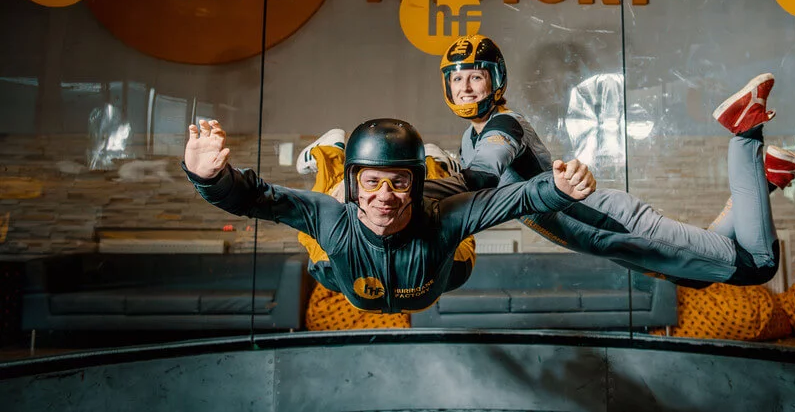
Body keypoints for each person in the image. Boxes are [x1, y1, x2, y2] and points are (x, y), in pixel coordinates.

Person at [433, 34, 795, 287]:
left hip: (614, 225)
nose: (465, 87)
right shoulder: (471, 138)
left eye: (475, 77)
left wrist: (424, 185)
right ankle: (771, 174)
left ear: (495, 79)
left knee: (757, 266)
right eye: (457, 79)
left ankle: (746, 135)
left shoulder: (503, 125)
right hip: (604, 240)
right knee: (698, 278)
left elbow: (483, 176)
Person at [183, 117, 596, 314]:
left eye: (398, 183)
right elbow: (256, 198)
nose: (384, 197)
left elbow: (517, 199)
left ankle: (434, 165)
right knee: (323, 212)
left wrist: (557, 187)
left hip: (448, 266)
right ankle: (330, 151)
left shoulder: (443, 218)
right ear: (357, 183)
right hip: (340, 265)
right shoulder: (334, 218)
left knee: (462, 191)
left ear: (412, 186)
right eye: (371, 183)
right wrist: (211, 178)